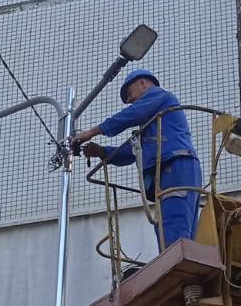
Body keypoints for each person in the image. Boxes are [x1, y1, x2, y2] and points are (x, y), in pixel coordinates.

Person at [71, 69, 203, 250]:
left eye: (129, 93)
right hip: (173, 168)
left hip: (175, 165)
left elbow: (133, 113)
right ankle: (180, 259)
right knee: (168, 225)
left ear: (143, 83)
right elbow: (133, 151)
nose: (129, 100)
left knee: (174, 223)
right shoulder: (153, 122)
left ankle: (178, 261)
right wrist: (102, 151)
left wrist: (92, 132)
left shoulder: (162, 97)